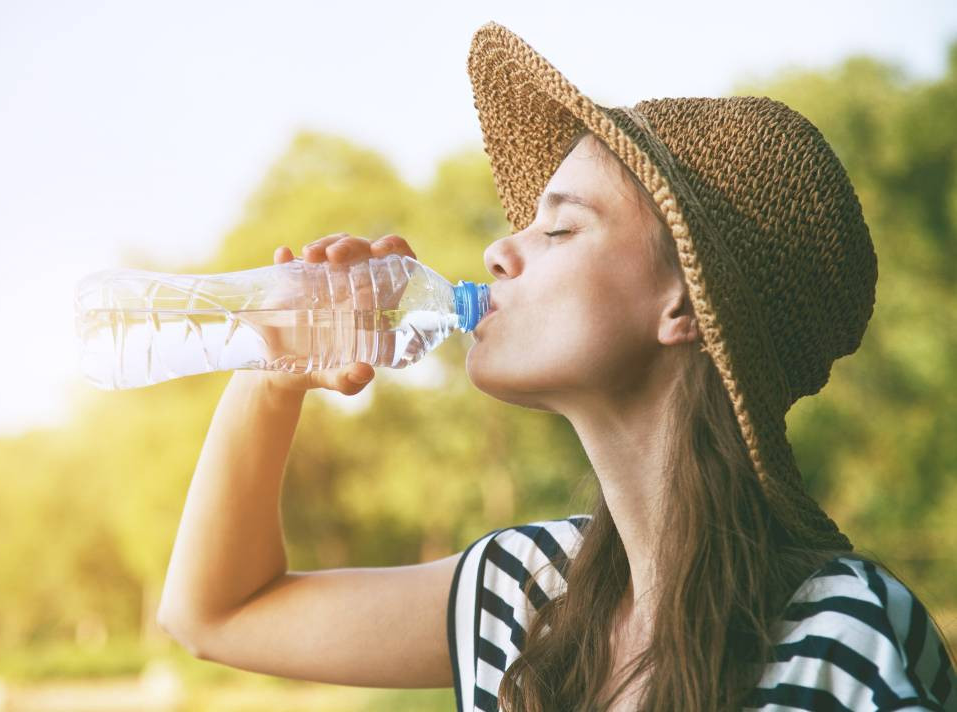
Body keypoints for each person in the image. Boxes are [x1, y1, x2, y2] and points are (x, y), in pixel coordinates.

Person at [155, 22, 956, 712]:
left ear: (683, 305)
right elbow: (216, 613)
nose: (499, 252)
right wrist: (271, 371)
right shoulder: (528, 594)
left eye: (560, 229)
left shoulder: (839, 638)